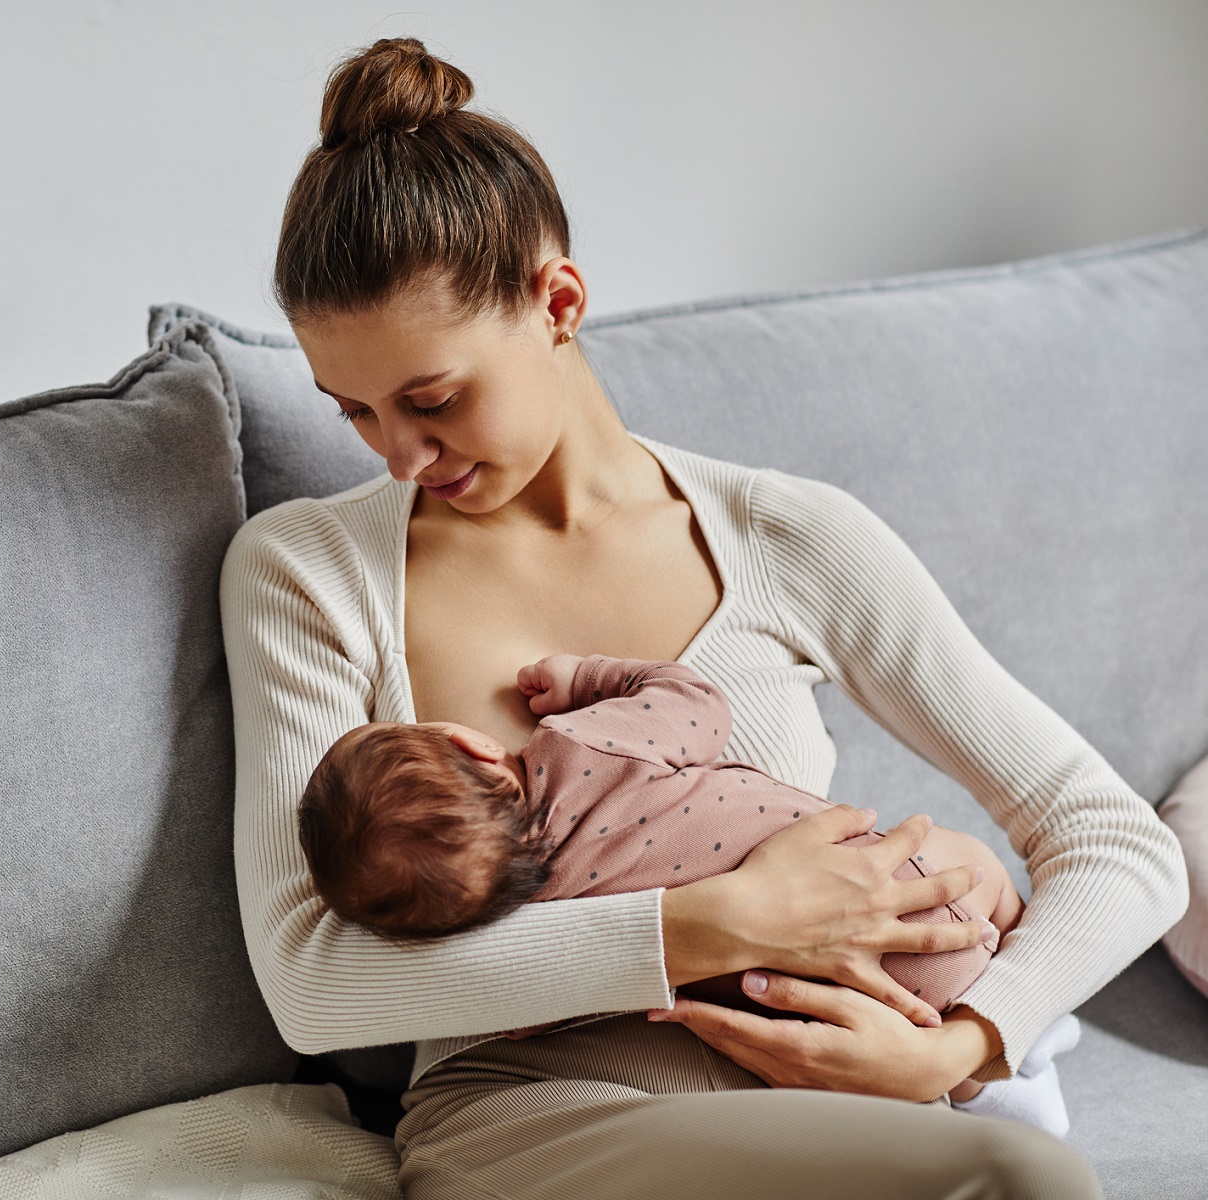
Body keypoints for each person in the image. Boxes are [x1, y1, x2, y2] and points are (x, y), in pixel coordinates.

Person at [222, 35, 1189, 1199]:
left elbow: (1115, 839)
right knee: (1012, 1180)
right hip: (541, 1119)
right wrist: (720, 922)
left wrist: (964, 1042)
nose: (402, 455)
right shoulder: (308, 571)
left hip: (832, 1109)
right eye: (357, 415)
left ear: (558, 302)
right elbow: (314, 982)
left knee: (1016, 1169)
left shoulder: (787, 537)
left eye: (433, 400)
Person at [295, 650, 1092, 1137]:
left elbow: (528, 1006)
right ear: (473, 744)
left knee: (906, 1022)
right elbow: (696, 704)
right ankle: (1024, 1035)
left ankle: (984, 1073)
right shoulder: (580, 743)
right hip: (912, 880)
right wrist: (587, 678)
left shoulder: (545, 938)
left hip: (855, 1009)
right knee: (978, 875)